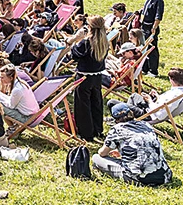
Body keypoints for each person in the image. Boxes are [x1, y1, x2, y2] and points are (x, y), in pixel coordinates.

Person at [94, 103, 173, 186]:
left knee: (96, 157)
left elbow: (102, 153)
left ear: (115, 119)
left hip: (140, 178)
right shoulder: (146, 125)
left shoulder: (117, 129)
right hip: (164, 175)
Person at [70, 15, 111, 143]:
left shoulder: (86, 42)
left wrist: (78, 40)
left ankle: (86, 132)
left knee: (83, 105)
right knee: (96, 103)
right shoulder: (104, 41)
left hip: (84, 76)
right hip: (97, 76)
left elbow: (74, 54)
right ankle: (97, 129)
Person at [140, 0, 164, 77]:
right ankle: (145, 68)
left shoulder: (158, 0)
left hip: (151, 27)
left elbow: (158, 16)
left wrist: (154, 27)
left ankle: (153, 70)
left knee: (152, 48)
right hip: (144, 26)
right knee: (143, 47)